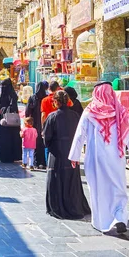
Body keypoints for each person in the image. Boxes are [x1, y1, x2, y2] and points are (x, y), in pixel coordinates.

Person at [68, 83, 129, 233]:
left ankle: (101, 222)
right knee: (118, 188)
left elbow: (80, 135)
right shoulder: (122, 112)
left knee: (98, 189)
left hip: (96, 159)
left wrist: (74, 156)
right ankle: (119, 217)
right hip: (116, 158)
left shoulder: (90, 112)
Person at [44, 90, 91, 220]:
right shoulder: (75, 116)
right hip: (72, 153)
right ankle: (74, 205)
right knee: (71, 180)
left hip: (57, 153)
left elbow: (46, 138)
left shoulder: (52, 117)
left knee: (57, 178)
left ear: (56, 101)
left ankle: (58, 206)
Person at [0, 78, 22, 163]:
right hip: (3, 119)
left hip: (10, 120)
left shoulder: (13, 95)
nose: (3, 87)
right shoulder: (3, 94)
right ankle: (4, 156)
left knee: (11, 139)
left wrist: (3, 110)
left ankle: (11, 156)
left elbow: (13, 106)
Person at [25, 81, 48, 169]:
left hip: (34, 124)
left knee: (35, 143)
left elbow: (28, 112)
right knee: (43, 143)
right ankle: (44, 162)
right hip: (45, 123)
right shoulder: (46, 98)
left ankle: (35, 162)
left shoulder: (33, 98)